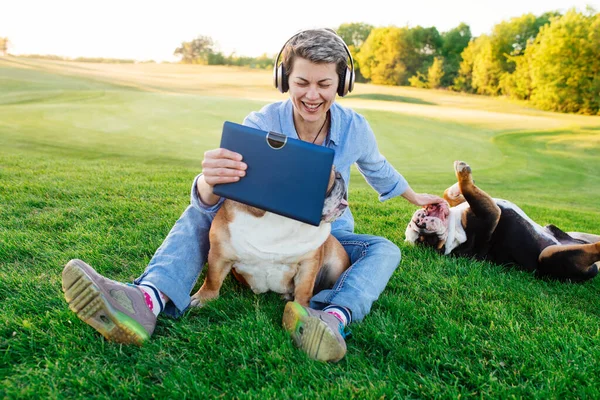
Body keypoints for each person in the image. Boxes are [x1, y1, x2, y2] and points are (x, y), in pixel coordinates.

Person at [61, 28, 443, 362]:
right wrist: (209, 182)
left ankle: (329, 317)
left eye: (325, 84)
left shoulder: (354, 127)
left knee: (385, 249)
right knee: (202, 210)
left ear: (342, 84)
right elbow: (226, 191)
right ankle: (147, 300)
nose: (313, 95)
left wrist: (415, 196)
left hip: (327, 232)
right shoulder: (261, 123)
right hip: (261, 225)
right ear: (285, 79)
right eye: (302, 83)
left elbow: (377, 167)